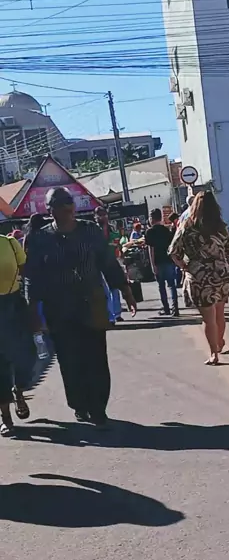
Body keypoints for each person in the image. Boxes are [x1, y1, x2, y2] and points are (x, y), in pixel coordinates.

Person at [24, 187, 136, 428]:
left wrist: (125, 290)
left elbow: (108, 262)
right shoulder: (40, 238)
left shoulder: (90, 231)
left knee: (96, 358)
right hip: (59, 308)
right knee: (69, 360)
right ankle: (79, 404)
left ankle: (98, 408)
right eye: (61, 203)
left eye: (70, 202)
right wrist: (33, 309)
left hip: (91, 305)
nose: (68, 207)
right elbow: (32, 276)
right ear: (50, 210)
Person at [169, 191, 229, 365]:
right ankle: (219, 342)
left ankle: (214, 353)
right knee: (220, 313)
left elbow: (173, 252)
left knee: (208, 318)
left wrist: (185, 267)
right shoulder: (221, 226)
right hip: (221, 274)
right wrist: (222, 264)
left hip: (199, 276)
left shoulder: (187, 226)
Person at [0, 233, 37, 437]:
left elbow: (26, 274)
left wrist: (33, 307)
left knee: (26, 356)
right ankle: (5, 418)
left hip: (14, 307)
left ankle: (19, 390)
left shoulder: (10, 243)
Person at [145, 208, 179, 317]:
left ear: (152, 218)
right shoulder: (166, 230)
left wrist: (152, 265)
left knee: (161, 286)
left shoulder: (150, 232)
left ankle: (166, 308)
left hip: (158, 262)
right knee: (172, 285)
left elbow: (151, 249)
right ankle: (175, 308)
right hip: (168, 260)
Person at [94, 206, 123, 324]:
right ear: (95, 216)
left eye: (104, 214)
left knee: (115, 288)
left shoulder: (112, 229)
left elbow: (117, 244)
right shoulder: (93, 230)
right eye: (99, 215)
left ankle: (117, 313)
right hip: (98, 264)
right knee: (104, 291)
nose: (102, 217)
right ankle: (110, 316)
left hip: (111, 262)